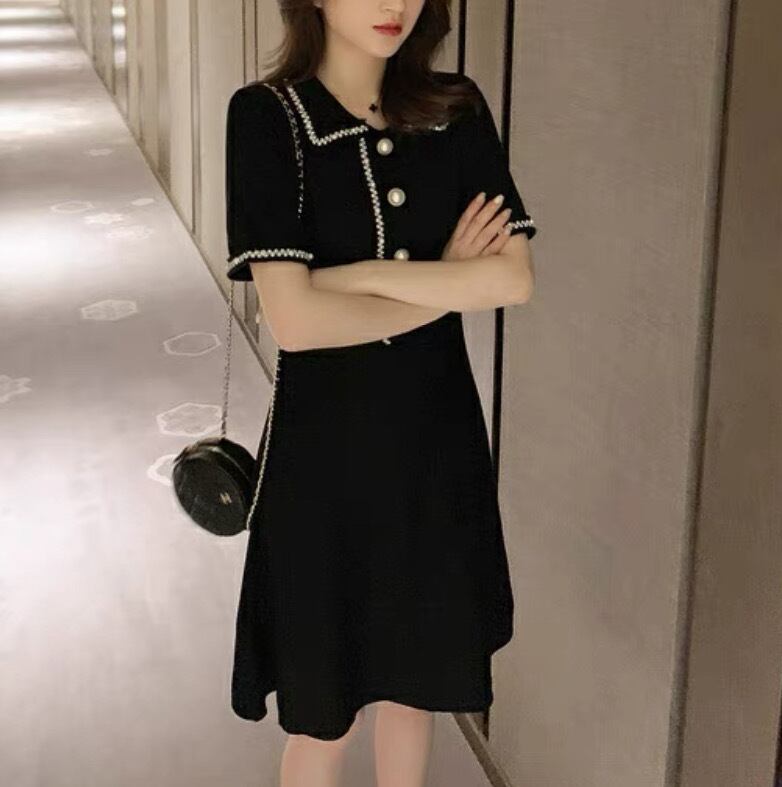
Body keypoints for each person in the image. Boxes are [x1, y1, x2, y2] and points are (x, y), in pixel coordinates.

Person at [224, 0, 538, 784]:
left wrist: (351, 278)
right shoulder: (267, 118)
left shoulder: (455, 109)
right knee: (323, 713)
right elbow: (295, 323)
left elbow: (510, 280)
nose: (394, 3)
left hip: (435, 448)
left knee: (416, 685)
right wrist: (445, 281)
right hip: (323, 464)